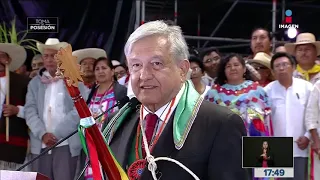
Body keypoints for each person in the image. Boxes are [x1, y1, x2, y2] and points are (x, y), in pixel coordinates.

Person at [101, 20, 247, 179]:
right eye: (136, 65)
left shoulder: (220, 124)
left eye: (156, 63)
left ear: (183, 70)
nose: (144, 75)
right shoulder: (115, 124)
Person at [25, 38, 87, 180]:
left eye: (53, 56)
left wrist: (58, 133)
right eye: (46, 56)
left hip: (65, 142)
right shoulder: (34, 83)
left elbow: (80, 108)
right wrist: (42, 134)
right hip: (40, 143)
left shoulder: (74, 80)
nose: (49, 60)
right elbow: (30, 110)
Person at [264, 52, 311, 180]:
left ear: (294, 67)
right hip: (276, 150)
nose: (281, 68)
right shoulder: (266, 91)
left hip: (301, 148)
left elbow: (316, 116)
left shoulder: (307, 88)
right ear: (272, 72)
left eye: (285, 64)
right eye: (277, 66)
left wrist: (308, 136)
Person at [205, 53, 273, 137]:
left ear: (244, 69)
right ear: (224, 71)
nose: (233, 68)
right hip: (222, 143)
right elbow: (207, 122)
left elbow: (267, 122)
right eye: (228, 66)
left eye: (236, 65)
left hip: (252, 145)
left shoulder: (257, 91)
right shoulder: (213, 94)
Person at [0, 43, 30, 170]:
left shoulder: (23, 82)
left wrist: (17, 110)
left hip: (11, 143)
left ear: (8, 59)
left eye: (1, 56)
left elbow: (34, 111)